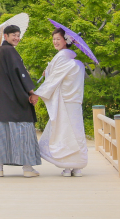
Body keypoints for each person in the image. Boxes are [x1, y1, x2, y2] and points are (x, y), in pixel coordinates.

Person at [34, 27, 88, 177]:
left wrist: (37, 93)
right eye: (54, 39)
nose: (55, 42)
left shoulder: (62, 57)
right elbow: (58, 76)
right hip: (74, 102)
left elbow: (54, 80)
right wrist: (49, 72)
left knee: (65, 131)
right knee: (76, 131)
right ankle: (77, 167)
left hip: (65, 102)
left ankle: (68, 166)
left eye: (58, 39)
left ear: (66, 41)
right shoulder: (73, 60)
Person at [0, 24, 41, 178]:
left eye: (18, 35)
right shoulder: (10, 51)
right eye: (13, 35)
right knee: (23, 131)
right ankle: (27, 168)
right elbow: (21, 74)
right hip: (16, 100)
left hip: (3, 101)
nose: (17, 38)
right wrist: (32, 92)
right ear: (5, 36)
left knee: (2, 133)